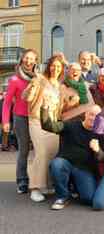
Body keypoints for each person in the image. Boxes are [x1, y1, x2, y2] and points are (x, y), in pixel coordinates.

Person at [41, 102, 103, 210]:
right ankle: (63, 196)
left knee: (88, 199)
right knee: (57, 164)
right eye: (91, 114)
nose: (93, 118)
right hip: (66, 164)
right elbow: (49, 126)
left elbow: (102, 157)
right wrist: (45, 107)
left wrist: (97, 150)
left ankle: (75, 185)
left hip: (84, 169)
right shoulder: (71, 125)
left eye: (97, 116)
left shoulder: (100, 133)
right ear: (85, 114)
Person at [22, 55, 65, 202]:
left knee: (52, 153)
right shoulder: (39, 79)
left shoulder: (59, 85)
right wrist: (33, 84)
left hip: (52, 122)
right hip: (37, 121)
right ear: (49, 66)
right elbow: (26, 97)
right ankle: (35, 187)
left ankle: (45, 184)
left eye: (59, 66)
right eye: (53, 65)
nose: (56, 68)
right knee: (41, 152)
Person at [2, 49, 38, 194]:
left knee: (40, 150)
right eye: (26, 58)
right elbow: (7, 102)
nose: (29, 61)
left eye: (32, 59)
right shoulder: (14, 79)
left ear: (35, 61)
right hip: (21, 118)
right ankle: (22, 180)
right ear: (22, 59)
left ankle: (38, 179)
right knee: (23, 151)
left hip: (36, 118)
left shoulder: (38, 77)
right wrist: (5, 121)